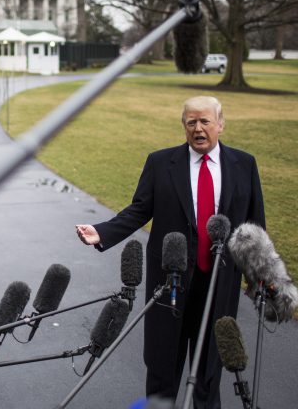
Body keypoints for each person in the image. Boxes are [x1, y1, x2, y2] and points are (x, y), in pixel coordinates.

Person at [76, 96, 265, 409]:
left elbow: (254, 226)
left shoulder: (244, 164)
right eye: (191, 121)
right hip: (170, 285)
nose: (198, 128)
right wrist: (103, 232)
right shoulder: (161, 162)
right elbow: (140, 209)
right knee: (163, 369)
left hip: (219, 286)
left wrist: (260, 278)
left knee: (207, 374)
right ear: (184, 126)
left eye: (205, 121)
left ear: (221, 124)